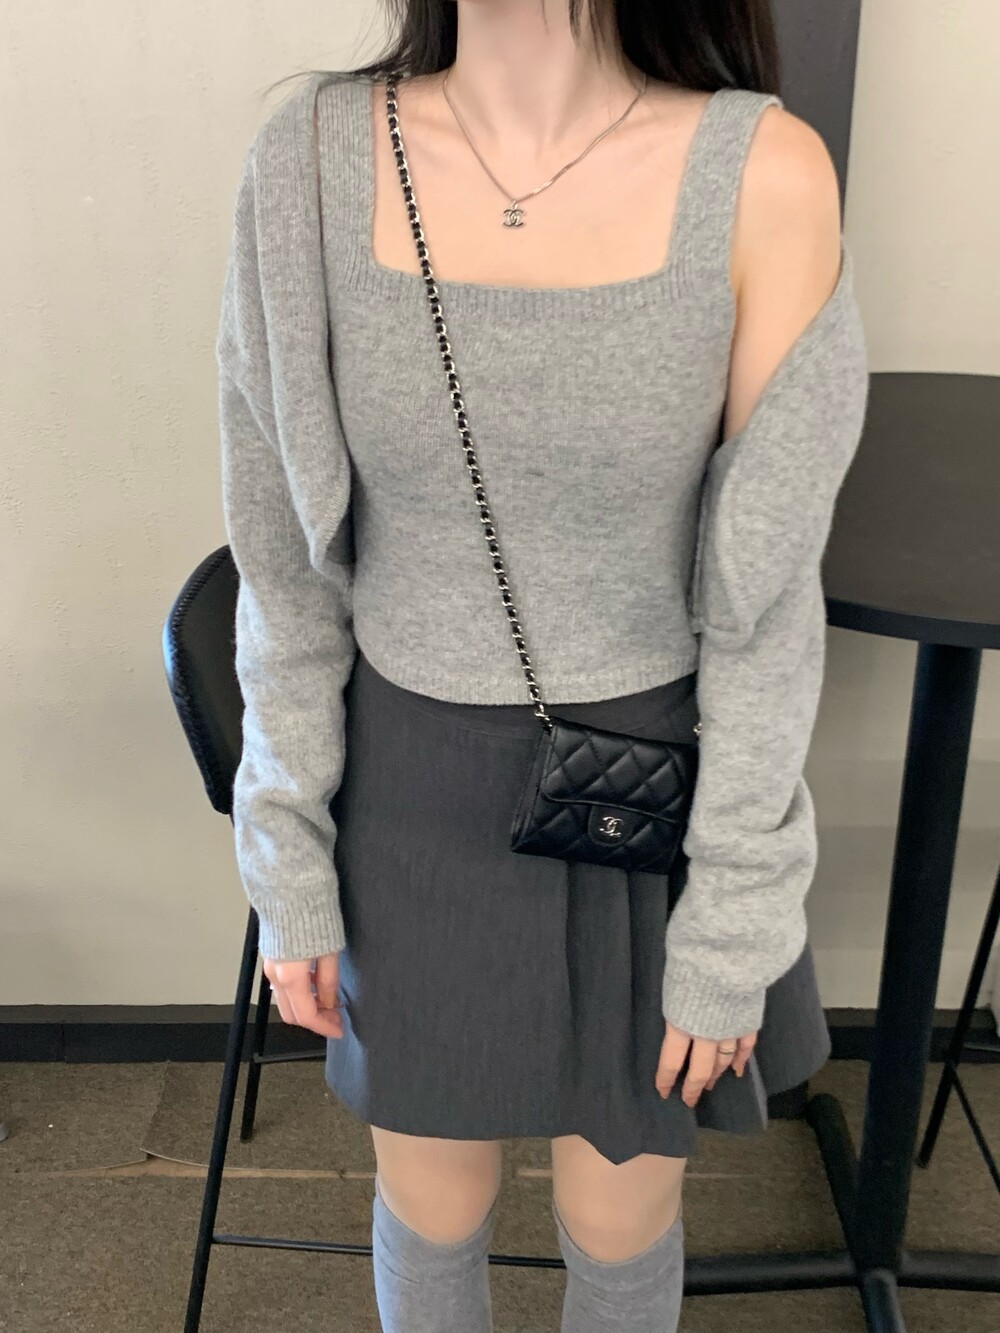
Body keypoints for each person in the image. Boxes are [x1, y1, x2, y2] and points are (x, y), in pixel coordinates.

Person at [215, 1, 870, 1328]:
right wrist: (285, 854)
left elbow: (763, 606)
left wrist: (733, 919)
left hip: (649, 793)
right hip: (408, 784)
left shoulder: (763, 173)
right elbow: (283, 562)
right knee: (430, 1206)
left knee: (621, 1219)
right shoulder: (309, 162)